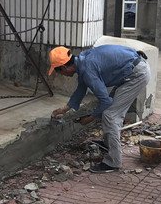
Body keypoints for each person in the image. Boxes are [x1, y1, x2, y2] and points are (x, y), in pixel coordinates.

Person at [49, 45, 151, 173]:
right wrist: (64, 109)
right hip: (132, 69)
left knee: (110, 115)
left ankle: (113, 162)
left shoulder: (87, 69)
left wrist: (90, 118)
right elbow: (81, 89)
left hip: (136, 75)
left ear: (64, 67)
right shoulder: (82, 61)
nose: (61, 75)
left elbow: (105, 101)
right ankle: (109, 145)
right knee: (111, 112)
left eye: (59, 72)